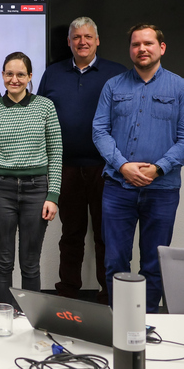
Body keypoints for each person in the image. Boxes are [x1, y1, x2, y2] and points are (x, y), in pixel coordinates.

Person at [93, 23, 184, 313]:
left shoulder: (179, 87)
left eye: (148, 43)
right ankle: (119, 322)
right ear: (130, 49)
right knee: (115, 261)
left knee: (154, 263)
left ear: (161, 48)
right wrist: (123, 166)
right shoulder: (113, 86)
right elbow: (99, 131)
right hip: (118, 189)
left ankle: (146, 325)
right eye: (135, 44)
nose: (141, 49)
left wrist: (158, 168)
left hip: (162, 190)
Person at [38, 17, 127, 304]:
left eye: (88, 36)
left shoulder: (117, 73)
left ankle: (108, 294)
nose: (82, 42)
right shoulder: (52, 74)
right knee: (71, 234)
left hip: (107, 168)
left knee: (106, 235)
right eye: (76, 37)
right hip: (65, 168)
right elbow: (39, 115)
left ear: (97, 40)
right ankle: (67, 294)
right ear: (69, 42)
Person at [0, 52, 62, 309]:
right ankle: (3, 319)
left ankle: (29, 319)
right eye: (9, 74)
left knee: (30, 262)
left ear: (30, 77)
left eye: (20, 74)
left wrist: (53, 195)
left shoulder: (45, 107)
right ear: (3, 76)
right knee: (3, 262)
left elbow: (56, 152)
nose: (14, 79)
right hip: (0, 189)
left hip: (37, 191)